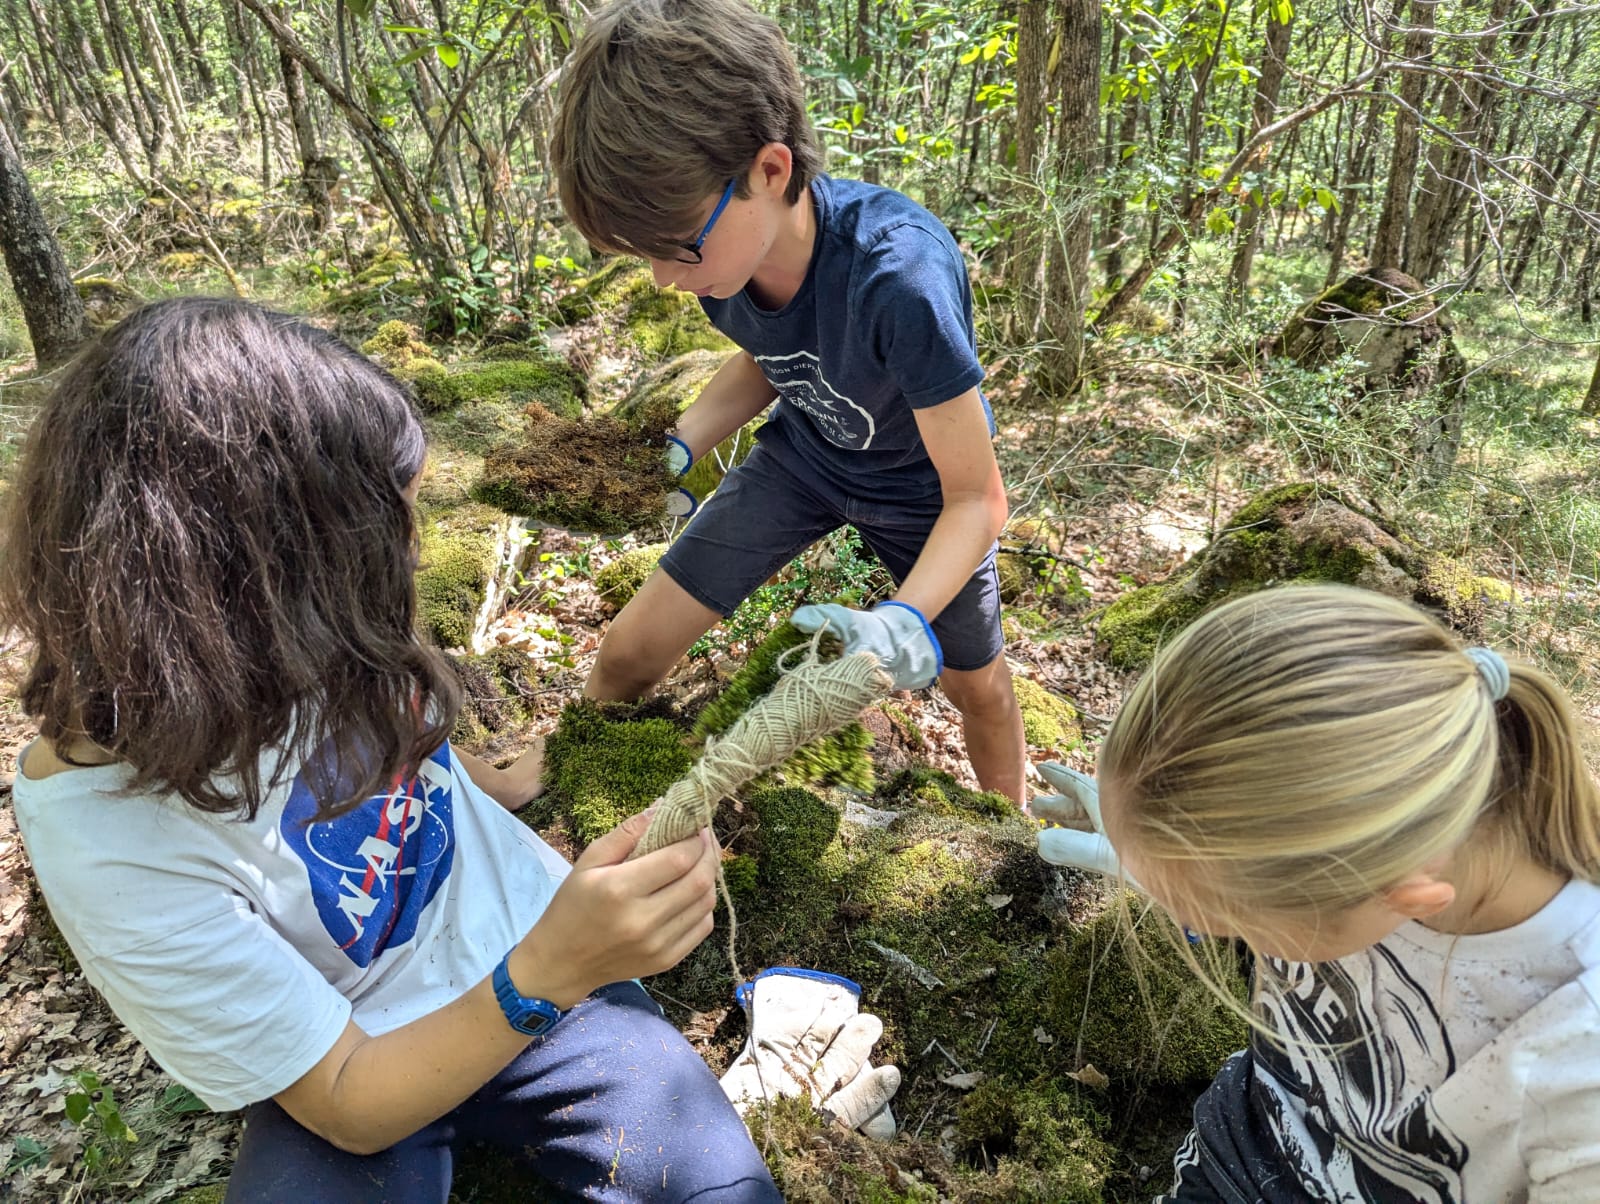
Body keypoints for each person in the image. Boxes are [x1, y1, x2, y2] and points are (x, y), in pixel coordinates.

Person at [1, 297, 783, 1203]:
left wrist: (499, 782)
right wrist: (559, 966)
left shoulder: (307, 635)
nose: (413, 558)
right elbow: (347, 1102)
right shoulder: (109, 840)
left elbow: (407, 743)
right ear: (261, 576)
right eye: (387, 535)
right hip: (352, 1050)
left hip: (521, 938)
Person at [550, 0, 1027, 803]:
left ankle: (1011, 823)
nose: (667, 280)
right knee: (628, 654)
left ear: (769, 172)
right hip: (803, 461)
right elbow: (771, 356)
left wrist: (902, 620)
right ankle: (555, 767)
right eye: (646, 257)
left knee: (975, 686)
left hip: (922, 496)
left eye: (677, 251)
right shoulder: (725, 260)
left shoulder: (898, 277)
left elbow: (978, 498)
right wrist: (682, 440)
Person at [1032, 583, 1600, 1201]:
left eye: (1241, 924)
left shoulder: (1578, 1065)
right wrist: (1172, 869)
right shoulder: (1349, 862)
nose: (1220, 936)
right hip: (1240, 1146)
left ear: (1409, 899)